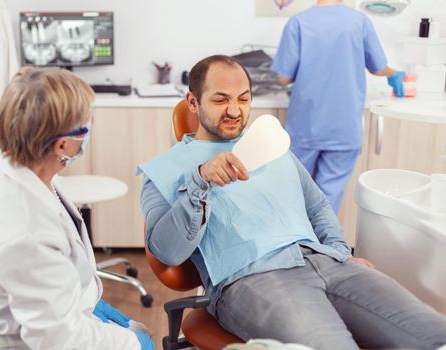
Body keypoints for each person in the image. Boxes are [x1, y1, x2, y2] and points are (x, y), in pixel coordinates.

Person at [138, 55, 446, 350]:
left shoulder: (272, 147)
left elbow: (317, 207)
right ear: (193, 102)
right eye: (220, 100)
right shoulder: (163, 171)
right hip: (253, 278)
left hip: (326, 262)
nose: (234, 110)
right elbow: (166, 251)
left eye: (243, 99)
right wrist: (199, 182)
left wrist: (340, 255)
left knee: (435, 335)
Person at [0, 67, 154, 350]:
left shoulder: (11, 163)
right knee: (139, 339)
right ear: (62, 144)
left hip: (33, 319)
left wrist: (87, 301)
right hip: (10, 342)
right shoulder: (23, 227)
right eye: (88, 122)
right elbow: (60, 340)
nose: (91, 126)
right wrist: (133, 345)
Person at [271, 0, 405, 213]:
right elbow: (378, 67)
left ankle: (294, 243)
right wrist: (394, 74)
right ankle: (321, 245)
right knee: (328, 197)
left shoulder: (298, 22)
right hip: (344, 127)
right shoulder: (359, 22)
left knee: (294, 190)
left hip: (306, 125)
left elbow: (283, 77)